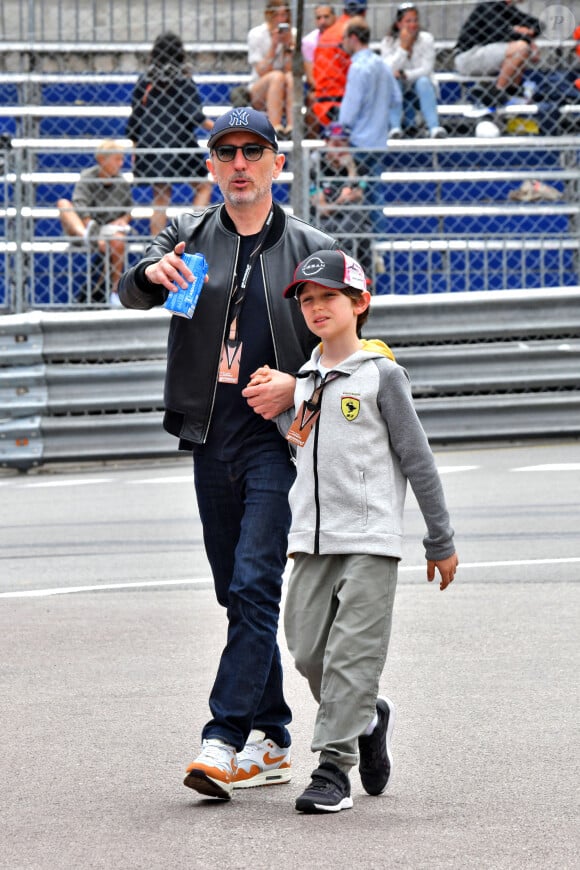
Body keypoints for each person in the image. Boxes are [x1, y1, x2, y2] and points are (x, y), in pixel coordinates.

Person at [117, 107, 337, 801]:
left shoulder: (309, 247)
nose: (239, 164)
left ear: (276, 162)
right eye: (225, 152)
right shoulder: (187, 235)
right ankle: (290, 730)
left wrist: (296, 387)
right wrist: (152, 275)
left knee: (252, 587)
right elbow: (131, 288)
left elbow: (349, 351)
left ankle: (224, 738)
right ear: (211, 166)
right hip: (209, 435)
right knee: (232, 592)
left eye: (252, 151)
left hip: (276, 440)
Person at [266, 248, 458, 813]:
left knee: (353, 655)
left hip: (370, 541)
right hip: (310, 542)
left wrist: (439, 539)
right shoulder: (303, 382)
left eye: (329, 297)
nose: (317, 307)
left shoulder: (382, 376)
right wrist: (275, 407)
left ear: (359, 303)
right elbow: (301, 442)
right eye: (307, 300)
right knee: (305, 652)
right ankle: (369, 718)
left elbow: (418, 459)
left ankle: (331, 770)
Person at [126, 31, 214, 237]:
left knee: (160, 196)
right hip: (180, 142)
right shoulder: (183, 79)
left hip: (151, 143)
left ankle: (157, 248)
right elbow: (195, 115)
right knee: (203, 186)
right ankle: (193, 236)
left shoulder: (145, 80)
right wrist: (221, 126)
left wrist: (135, 148)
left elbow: (135, 118)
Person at [339, 17, 400, 235]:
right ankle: (379, 244)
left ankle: (360, 244)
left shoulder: (358, 67)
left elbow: (350, 108)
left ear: (353, 38)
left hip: (358, 141)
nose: (342, 42)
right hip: (377, 141)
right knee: (375, 194)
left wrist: (342, 129)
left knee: (354, 194)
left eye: (344, 38)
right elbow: (396, 98)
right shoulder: (382, 65)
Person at [57, 138, 133, 306]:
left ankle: (115, 293)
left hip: (108, 229)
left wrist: (123, 219)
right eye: (117, 159)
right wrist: (89, 227)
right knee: (64, 204)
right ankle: (86, 235)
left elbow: (128, 209)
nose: (121, 164)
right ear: (102, 160)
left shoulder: (121, 182)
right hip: (83, 226)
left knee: (118, 241)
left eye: (122, 159)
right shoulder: (87, 177)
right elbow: (79, 205)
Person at [453, 0, 542, 108]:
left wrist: (522, 32)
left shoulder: (507, 8)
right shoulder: (489, 5)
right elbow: (499, 34)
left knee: (523, 47)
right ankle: (496, 93)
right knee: (521, 47)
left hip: (487, 55)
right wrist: (525, 37)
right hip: (468, 56)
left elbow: (538, 24)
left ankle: (512, 90)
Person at [309, 122, 372, 274]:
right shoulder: (315, 166)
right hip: (324, 220)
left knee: (356, 218)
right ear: (326, 143)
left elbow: (358, 198)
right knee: (337, 227)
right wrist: (342, 200)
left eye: (343, 142)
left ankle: (356, 274)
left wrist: (351, 170)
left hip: (351, 219)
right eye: (334, 143)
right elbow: (322, 209)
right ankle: (347, 270)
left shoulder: (358, 166)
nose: (339, 147)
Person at [381, 3, 447, 139]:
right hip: (399, 87)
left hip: (421, 86)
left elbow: (427, 69)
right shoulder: (388, 42)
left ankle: (434, 127)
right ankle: (395, 128)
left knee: (423, 81)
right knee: (393, 81)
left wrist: (406, 74)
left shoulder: (426, 39)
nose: (413, 25)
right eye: (408, 21)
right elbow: (388, 69)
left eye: (415, 20)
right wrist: (403, 48)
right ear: (399, 24)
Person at [311, 0, 368, 130]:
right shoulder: (353, 33)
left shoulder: (330, 33)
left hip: (324, 104)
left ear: (343, 11)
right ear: (364, 12)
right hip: (341, 102)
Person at [248, 0, 295, 138]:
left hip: (285, 89)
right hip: (260, 88)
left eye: (284, 15)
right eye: (276, 15)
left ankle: (292, 127)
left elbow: (290, 69)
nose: (281, 19)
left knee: (290, 77)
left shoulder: (292, 34)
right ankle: (276, 127)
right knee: (277, 76)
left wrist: (288, 47)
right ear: (268, 15)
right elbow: (261, 71)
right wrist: (274, 46)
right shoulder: (256, 34)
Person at [302, 5, 337, 138]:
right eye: (318, 18)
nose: (322, 21)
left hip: (342, 87)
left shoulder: (344, 38)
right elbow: (311, 77)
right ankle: (313, 150)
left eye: (326, 17)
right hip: (321, 88)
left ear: (334, 17)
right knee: (312, 99)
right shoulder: (309, 42)